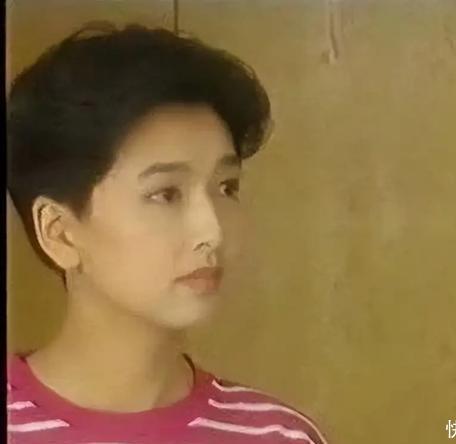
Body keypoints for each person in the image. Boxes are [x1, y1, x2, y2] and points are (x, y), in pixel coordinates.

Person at [6, 22, 328, 444]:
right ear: (60, 233)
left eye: (227, 187)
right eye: (165, 194)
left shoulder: (278, 435)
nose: (212, 231)